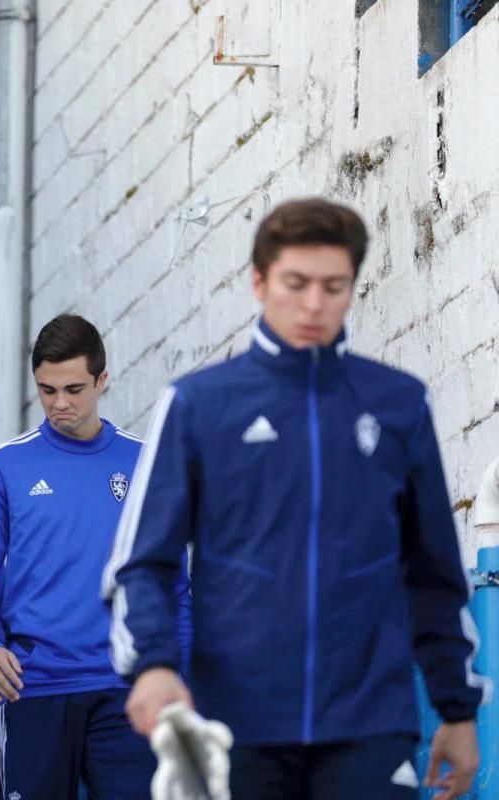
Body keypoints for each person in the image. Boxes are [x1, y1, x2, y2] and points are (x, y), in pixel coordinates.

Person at [103, 198, 488, 800]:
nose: (314, 305)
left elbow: (433, 575)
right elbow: (141, 563)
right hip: (236, 723)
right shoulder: (199, 404)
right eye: (296, 284)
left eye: (334, 287)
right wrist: (152, 665)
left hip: (370, 723)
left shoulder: (398, 404)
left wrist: (457, 712)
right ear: (259, 282)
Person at [0, 313, 190, 800]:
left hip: (126, 687)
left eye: (74, 389)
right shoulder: (4, 466)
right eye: (47, 390)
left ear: (102, 380)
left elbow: (176, 584)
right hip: (34, 686)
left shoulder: (145, 462)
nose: (59, 403)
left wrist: (181, 675)